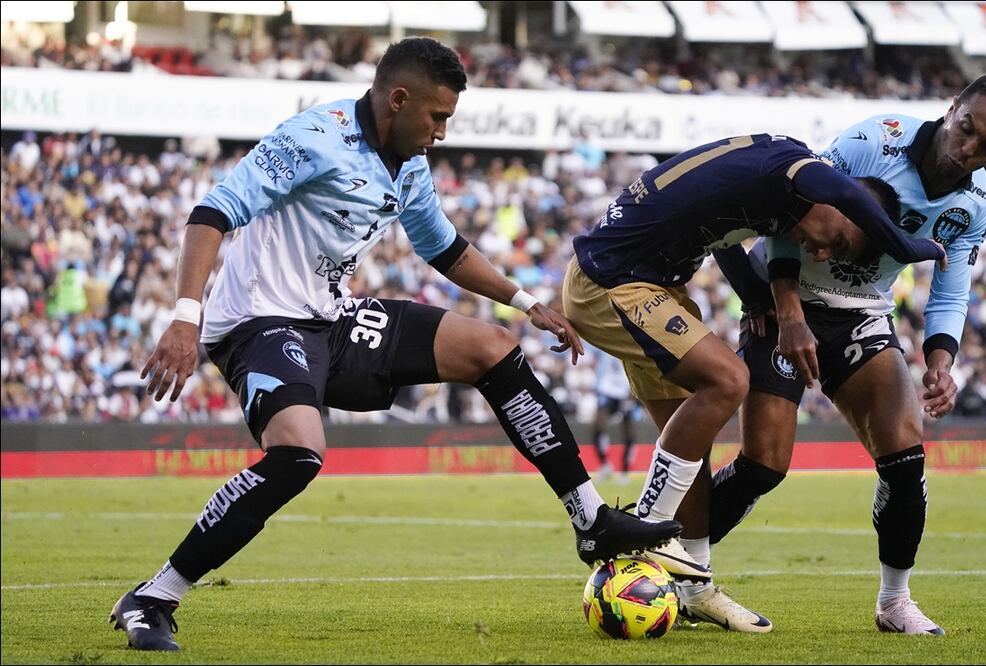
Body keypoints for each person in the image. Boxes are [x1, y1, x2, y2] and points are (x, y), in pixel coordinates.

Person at [110, 37, 680, 652]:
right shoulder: (311, 139)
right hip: (258, 321)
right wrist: (184, 318)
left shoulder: (408, 166)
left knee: (493, 348)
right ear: (398, 98)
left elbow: (445, 249)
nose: (441, 132)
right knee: (299, 454)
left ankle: (590, 520)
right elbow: (211, 212)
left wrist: (526, 302)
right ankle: (154, 596)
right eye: (437, 117)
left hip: (332, 320)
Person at [561, 132, 946, 633]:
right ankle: (645, 537)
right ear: (833, 203)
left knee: (689, 445)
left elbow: (724, 240)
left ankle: (695, 588)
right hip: (611, 279)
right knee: (728, 380)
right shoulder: (795, 172)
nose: (823, 254)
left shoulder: (780, 196)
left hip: (657, 285)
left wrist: (758, 298)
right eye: (837, 240)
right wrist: (912, 246)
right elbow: (851, 196)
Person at [708, 72, 986, 635]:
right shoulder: (872, 142)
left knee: (906, 453)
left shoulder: (977, 202)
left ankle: (894, 601)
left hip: (862, 310)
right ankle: (676, 558)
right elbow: (788, 213)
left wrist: (940, 360)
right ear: (952, 106)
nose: (968, 151)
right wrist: (785, 312)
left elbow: (952, 287)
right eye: (966, 130)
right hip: (785, 297)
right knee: (764, 463)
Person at [588, 343, 639, 483]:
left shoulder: (630, 343)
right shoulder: (602, 342)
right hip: (607, 390)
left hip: (627, 392)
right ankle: (605, 465)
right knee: (598, 427)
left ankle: (625, 471)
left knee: (629, 433)